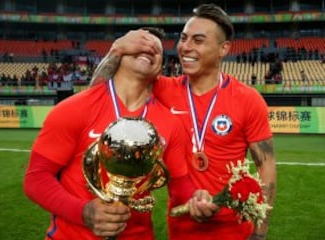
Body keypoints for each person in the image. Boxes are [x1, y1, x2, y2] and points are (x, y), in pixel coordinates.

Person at [90, 4, 277, 240]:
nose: (185, 47)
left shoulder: (248, 99)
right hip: (181, 226)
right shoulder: (161, 89)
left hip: (233, 228)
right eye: (183, 38)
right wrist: (116, 50)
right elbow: (96, 98)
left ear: (224, 48)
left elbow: (266, 167)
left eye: (198, 40)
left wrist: (260, 232)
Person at [23, 27, 195, 240]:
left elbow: (179, 184)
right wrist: (83, 212)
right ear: (120, 51)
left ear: (161, 67)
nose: (149, 49)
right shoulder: (73, 109)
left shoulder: (171, 123)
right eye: (140, 42)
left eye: (157, 50)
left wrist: (196, 198)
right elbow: (36, 178)